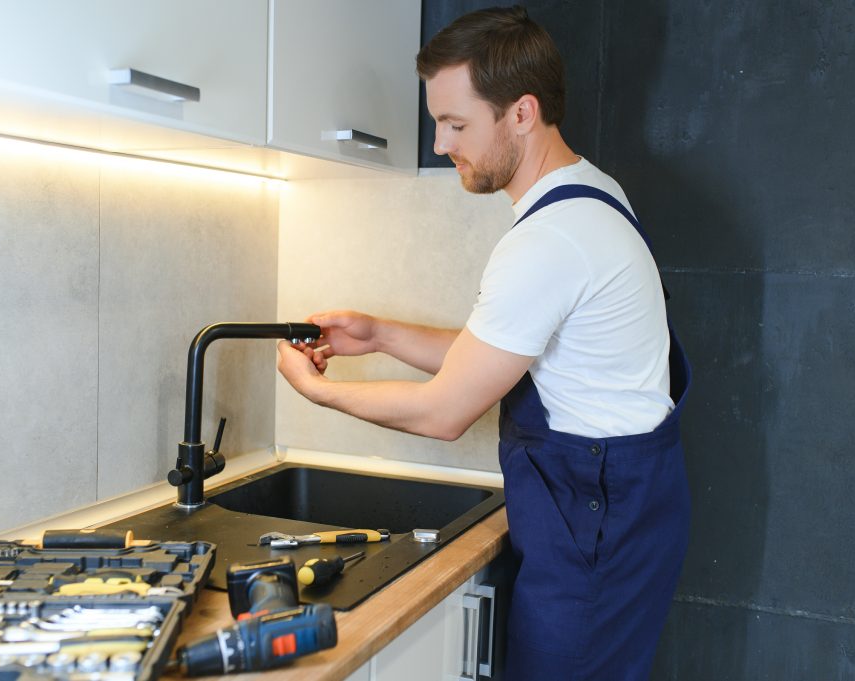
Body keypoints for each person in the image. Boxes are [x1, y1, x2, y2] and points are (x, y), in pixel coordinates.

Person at [276, 6, 691, 679]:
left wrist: (318, 390)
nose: (440, 143)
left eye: (456, 123)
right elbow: (496, 352)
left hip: (596, 525)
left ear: (521, 113)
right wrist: (376, 334)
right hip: (621, 514)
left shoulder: (548, 240)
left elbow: (445, 412)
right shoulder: (591, 194)